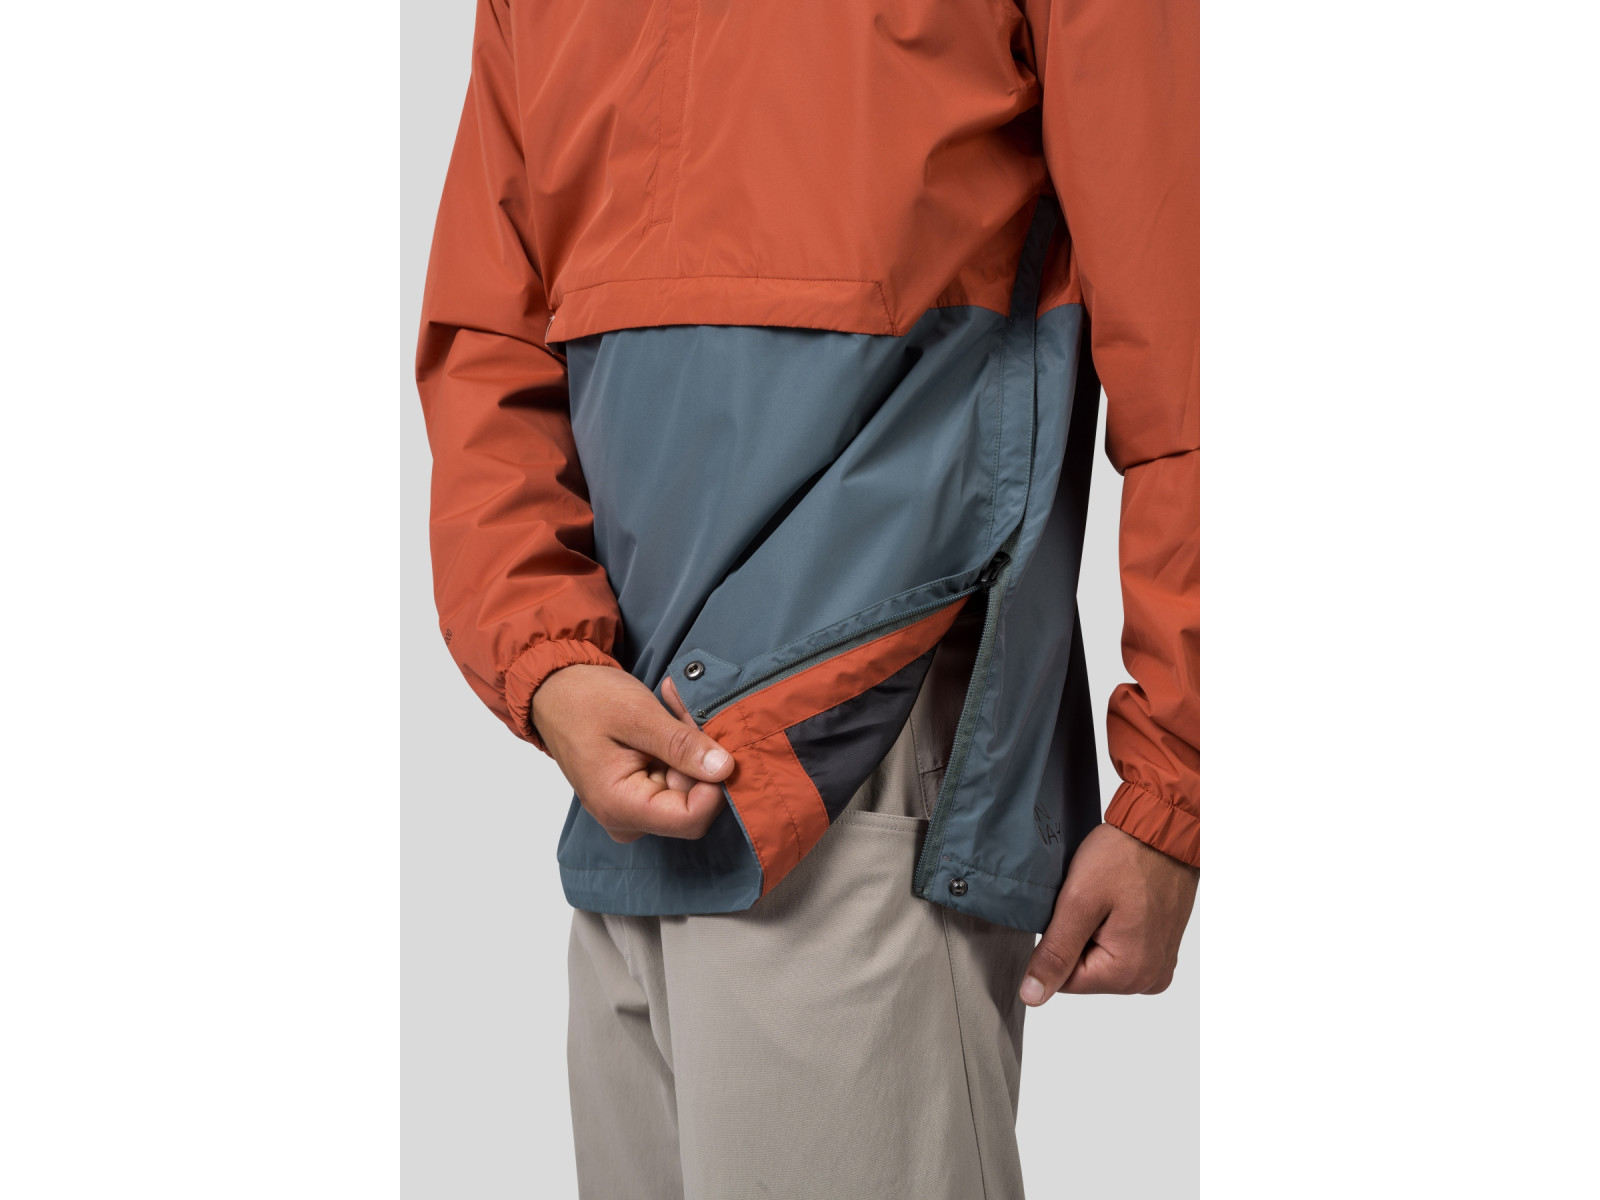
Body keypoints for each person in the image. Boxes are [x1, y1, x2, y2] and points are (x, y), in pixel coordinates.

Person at [416, 0, 1197, 1194]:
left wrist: (1174, 793)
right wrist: (547, 661)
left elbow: (1190, 350)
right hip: (625, 782)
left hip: (862, 756)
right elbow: (490, 336)